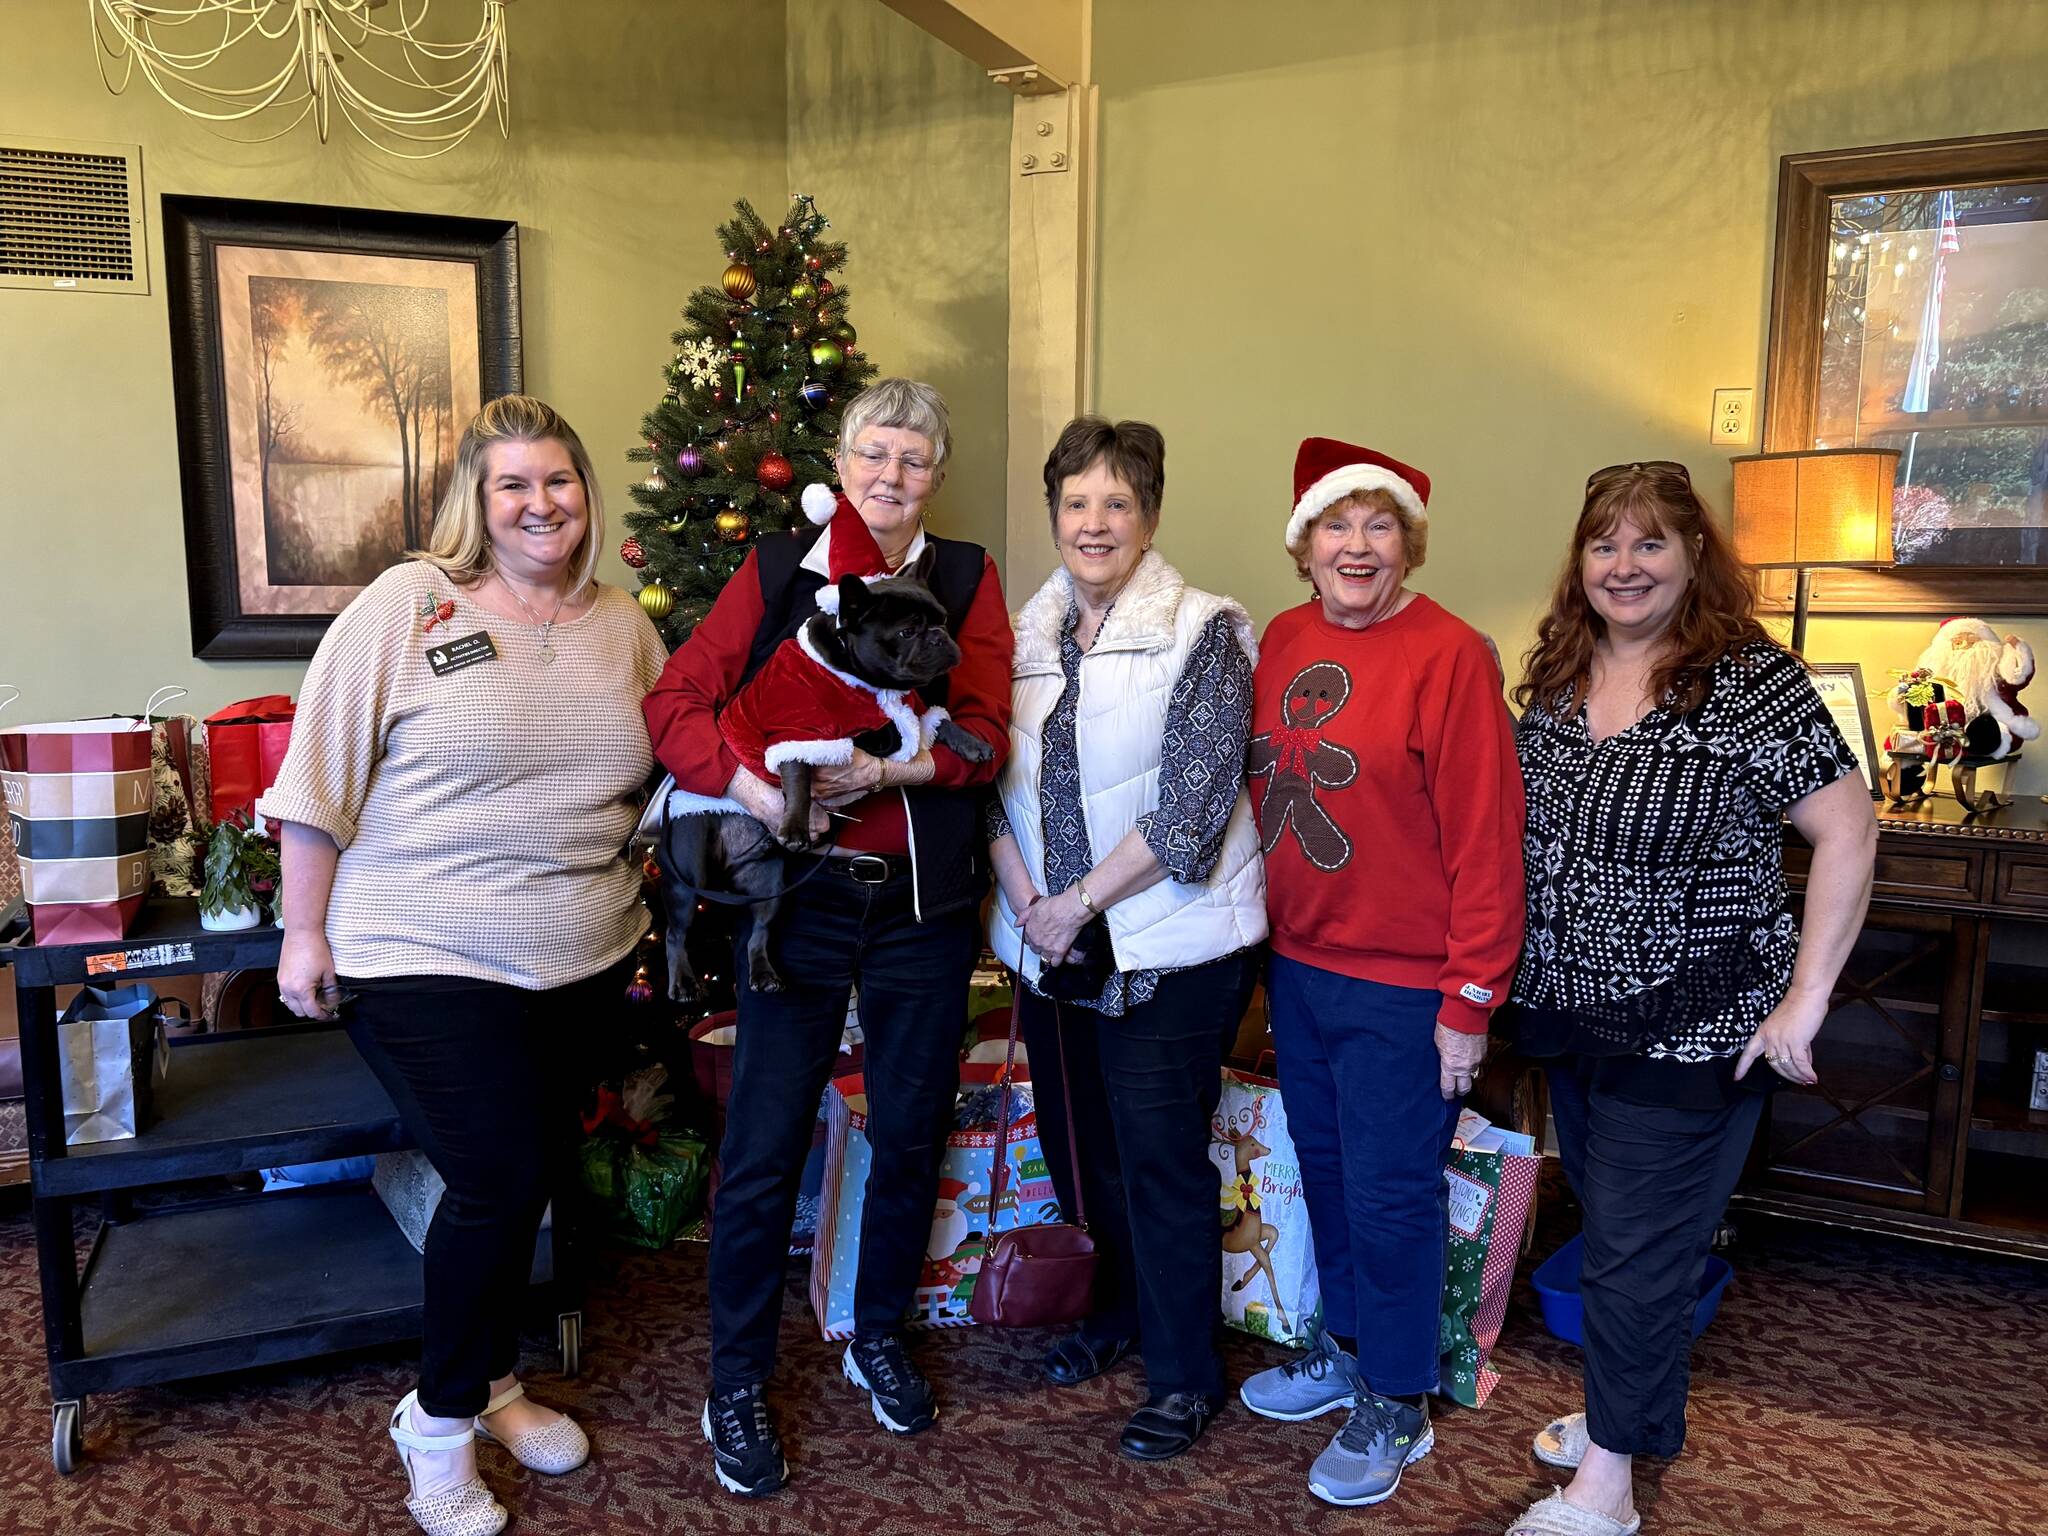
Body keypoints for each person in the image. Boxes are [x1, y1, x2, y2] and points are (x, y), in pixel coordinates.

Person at [262, 396, 668, 1536]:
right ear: (475, 504)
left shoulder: (624, 625)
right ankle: (436, 1427)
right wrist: (303, 932)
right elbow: (315, 779)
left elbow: (668, 769)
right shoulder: (409, 604)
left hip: (582, 953)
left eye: (559, 480)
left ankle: (493, 1387)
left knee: (529, 1172)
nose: (541, 503)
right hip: (421, 947)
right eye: (513, 485)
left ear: (586, 492)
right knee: (493, 1177)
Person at [643, 378, 1012, 1498]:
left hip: (919, 911)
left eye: (913, 458)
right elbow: (674, 706)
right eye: (873, 454)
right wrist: (751, 789)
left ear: (935, 476)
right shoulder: (770, 572)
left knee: (907, 1134)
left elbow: (987, 735)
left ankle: (878, 1329)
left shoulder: (965, 578)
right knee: (761, 1148)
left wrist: (898, 768)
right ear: (841, 462)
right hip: (793, 903)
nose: (891, 476)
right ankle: (738, 1381)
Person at [1502, 462, 1876, 1536]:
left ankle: (1606, 1489)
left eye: (1649, 544)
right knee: (1620, 1232)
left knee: (1632, 1253)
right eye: (1603, 545)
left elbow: (1847, 833)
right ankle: (1622, 1414)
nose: (1624, 565)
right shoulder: (1559, 673)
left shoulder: (1748, 682)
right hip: (1569, 1019)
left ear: (1692, 556)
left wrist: (1803, 1000)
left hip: (1692, 1022)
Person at [1239, 437, 1527, 1508]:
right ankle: (1346, 1349)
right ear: (1303, 545)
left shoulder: (1450, 652)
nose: (1356, 545)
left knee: (1392, 1191)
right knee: (1323, 1172)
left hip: (1406, 985)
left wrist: (1468, 1000)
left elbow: (1486, 839)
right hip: (1299, 968)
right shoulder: (1279, 638)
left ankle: (1396, 1399)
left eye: (1377, 525)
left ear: (1407, 544)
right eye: (1335, 525)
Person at [986, 416, 1266, 1460]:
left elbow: (1192, 810)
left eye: (1115, 503)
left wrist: (1074, 904)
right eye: (1074, 503)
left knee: (1158, 1161)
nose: (1093, 523)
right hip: (1044, 943)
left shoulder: (1206, 630)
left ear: (1148, 517)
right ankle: (1115, 1317)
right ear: (1053, 514)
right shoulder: (1019, 637)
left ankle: (1185, 1372)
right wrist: (1026, 904)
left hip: (1167, 942)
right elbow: (985, 792)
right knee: (1081, 1152)